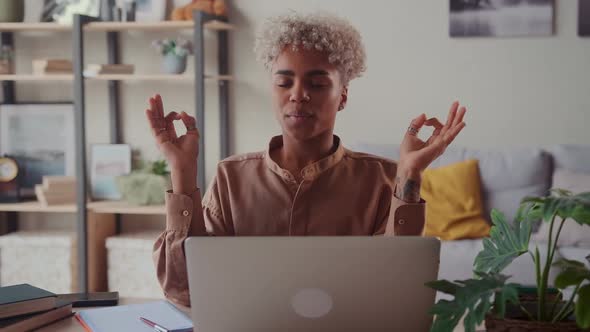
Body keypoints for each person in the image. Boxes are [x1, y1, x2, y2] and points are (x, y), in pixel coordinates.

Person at [146, 12, 467, 307]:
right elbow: (185, 291)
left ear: (342, 95)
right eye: (284, 82)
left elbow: (399, 289)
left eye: (317, 83)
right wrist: (182, 173)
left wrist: (410, 172)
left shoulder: (381, 179)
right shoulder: (231, 178)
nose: (298, 94)